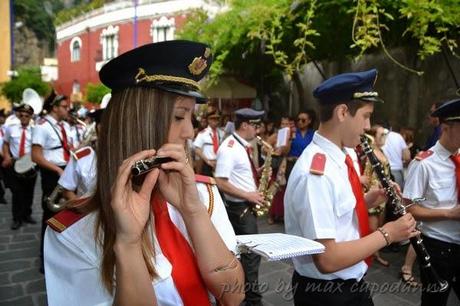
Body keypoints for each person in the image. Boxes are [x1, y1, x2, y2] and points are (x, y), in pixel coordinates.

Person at [44, 40, 244, 306]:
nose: (189, 132)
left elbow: (234, 295)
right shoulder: (72, 233)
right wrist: (127, 244)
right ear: (139, 123)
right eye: (178, 117)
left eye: (191, 118)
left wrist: (193, 212)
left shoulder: (203, 196)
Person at [284, 69, 418, 306]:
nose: (367, 126)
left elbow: (336, 212)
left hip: (350, 282)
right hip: (327, 293)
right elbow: (327, 259)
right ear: (343, 112)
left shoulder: (344, 153)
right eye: (366, 116)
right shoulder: (317, 173)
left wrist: (367, 200)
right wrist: (388, 234)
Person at [404, 98, 460, 306]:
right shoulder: (424, 163)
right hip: (438, 246)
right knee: (434, 301)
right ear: (446, 128)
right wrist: (449, 214)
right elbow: (409, 208)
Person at [215, 107, 265, 306]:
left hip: (245, 206)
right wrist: (249, 195)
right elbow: (220, 180)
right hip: (239, 210)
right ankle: (252, 301)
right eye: (256, 125)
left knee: (248, 256)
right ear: (245, 125)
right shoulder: (230, 148)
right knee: (251, 257)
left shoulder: (241, 145)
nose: (258, 130)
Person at [32, 91, 72, 272]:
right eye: (64, 107)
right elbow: (36, 156)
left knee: (66, 213)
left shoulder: (64, 125)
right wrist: (57, 170)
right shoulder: (42, 126)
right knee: (49, 216)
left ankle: (61, 254)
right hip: (52, 174)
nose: (67, 109)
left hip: (66, 170)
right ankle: (44, 258)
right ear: (54, 107)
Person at [2, 103, 37, 230]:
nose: (24, 117)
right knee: (16, 192)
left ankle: (27, 215)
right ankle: (16, 218)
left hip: (30, 165)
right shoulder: (10, 128)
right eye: (21, 114)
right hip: (15, 163)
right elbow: (5, 144)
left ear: (31, 116)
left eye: (27, 115)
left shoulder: (35, 130)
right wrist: (6, 156)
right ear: (18, 115)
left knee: (29, 192)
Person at [57, 108, 103, 201]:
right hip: (87, 212)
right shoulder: (82, 157)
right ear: (98, 128)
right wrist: (82, 207)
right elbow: (67, 190)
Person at [362, 124, 390, 267]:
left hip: (383, 193)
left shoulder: (382, 151)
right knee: (373, 227)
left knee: (379, 223)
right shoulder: (370, 153)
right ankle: (369, 253)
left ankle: (374, 253)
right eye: (381, 135)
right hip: (374, 193)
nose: (384, 138)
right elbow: (366, 176)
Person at [193, 111, 224, 176]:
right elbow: (197, 149)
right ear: (209, 120)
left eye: (217, 119)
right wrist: (208, 161)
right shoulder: (203, 133)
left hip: (219, 163)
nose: (216, 122)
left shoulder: (221, 133)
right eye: (213, 119)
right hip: (207, 164)